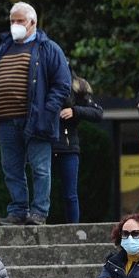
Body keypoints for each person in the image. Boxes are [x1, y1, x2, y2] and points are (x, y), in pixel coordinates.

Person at [0, 2, 72, 226]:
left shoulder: (48, 48)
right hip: (6, 121)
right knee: (11, 168)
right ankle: (18, 210)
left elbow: (62, 84)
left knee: (40, 168)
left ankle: (39, 212)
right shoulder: (3, 48)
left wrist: (48, 110)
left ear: (33, 23)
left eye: (20, 21)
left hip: (36, 119)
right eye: (12, 21)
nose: (15, 25)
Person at [51, 77, 103, 223]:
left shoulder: (76, 85)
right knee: (44, 193)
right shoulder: (43, 80)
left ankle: (73, 229)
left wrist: (75, 111)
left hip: (68, 146)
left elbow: (97, 112)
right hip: (47, 146)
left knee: (70, 194)